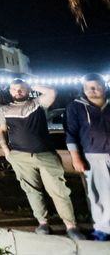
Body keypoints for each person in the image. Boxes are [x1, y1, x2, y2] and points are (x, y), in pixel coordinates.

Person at [0, 79, 84, 240]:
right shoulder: (4, 109)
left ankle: (71, 226)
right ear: (9, 91)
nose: (18, 91)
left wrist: (30, 85)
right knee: (32, 191)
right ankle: (43, 223)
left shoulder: (37, 104)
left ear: (28, 90)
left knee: (59, 190)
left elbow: (52, 92)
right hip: (20, 157)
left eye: (21, 89)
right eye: (14, 89)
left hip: (46, 154)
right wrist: (6, 151)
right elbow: (0, 130)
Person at [65, 73, 110, 241]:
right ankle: (103, 229)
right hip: (93, 156)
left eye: (96, 86)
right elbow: (71, 134)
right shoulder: (75, 107)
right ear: (83, 89)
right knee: (98, 195)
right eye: (88, 87)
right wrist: (76, 158)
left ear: (104, 87)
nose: (92, 90)